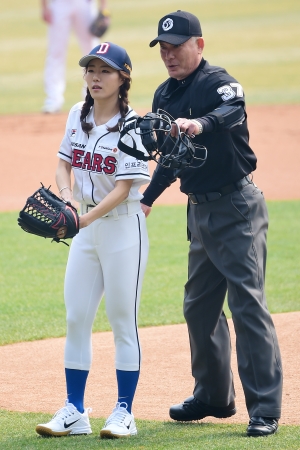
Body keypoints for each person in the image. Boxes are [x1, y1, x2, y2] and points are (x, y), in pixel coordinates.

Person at [141, 10, 283, 437]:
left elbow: (233, 110)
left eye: (177, 46)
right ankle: (213, 396)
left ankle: (265, 409)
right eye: (163, 48)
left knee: (246, 304)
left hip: (236, 206)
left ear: (198, 45)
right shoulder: (164, 96)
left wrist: (199, 123)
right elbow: (171, 158)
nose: (169, 54)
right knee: (198, 307)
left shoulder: (217, 81)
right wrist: (146, 201)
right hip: (198, 212)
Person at [35, 42, 150, 439]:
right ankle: (75, 411)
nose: (95, 78)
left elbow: (124, 188)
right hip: (84, 230)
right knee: (76, 318)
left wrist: (81, 218)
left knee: (123, 322)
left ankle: (124, 412)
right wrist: (67, 198)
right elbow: (64, 162)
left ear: (123, 78)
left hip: (122, 229)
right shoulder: (76, 114)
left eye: (105, 71)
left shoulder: (133, 125)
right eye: (90, 70)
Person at [41, 0, 110, 113]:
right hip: (59, 4)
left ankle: (92, 97)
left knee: (92, 52)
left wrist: (104, 7)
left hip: (84, 4)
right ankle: (53, 99)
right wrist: (44, 6)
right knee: (55, 52)